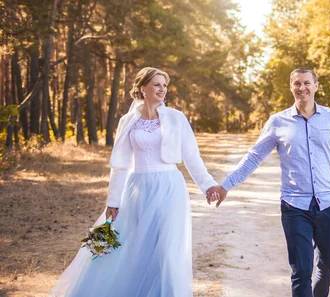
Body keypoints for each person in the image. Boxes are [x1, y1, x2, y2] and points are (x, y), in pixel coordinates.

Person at [48, 67, 221, 297]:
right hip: (137, 189)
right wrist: (113, 200)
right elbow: (120, 165)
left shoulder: (176, 118)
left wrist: (208, 186)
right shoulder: (127, 121)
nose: (162, 89)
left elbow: (191, 156)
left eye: (165, 85)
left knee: (166, 251)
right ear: (143, 88)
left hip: (170, 188)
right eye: (157, 84)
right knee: (134, 249)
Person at [208, 67, 330, 297]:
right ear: (291, 86)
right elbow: (254, 156)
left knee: (328, 266)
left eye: (306, 83)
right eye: (297, 83)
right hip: (295, 206)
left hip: (328, 204)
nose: (302, 88)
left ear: (316, 86)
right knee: (302, 270)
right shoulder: (278, 122)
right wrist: (226, 185)